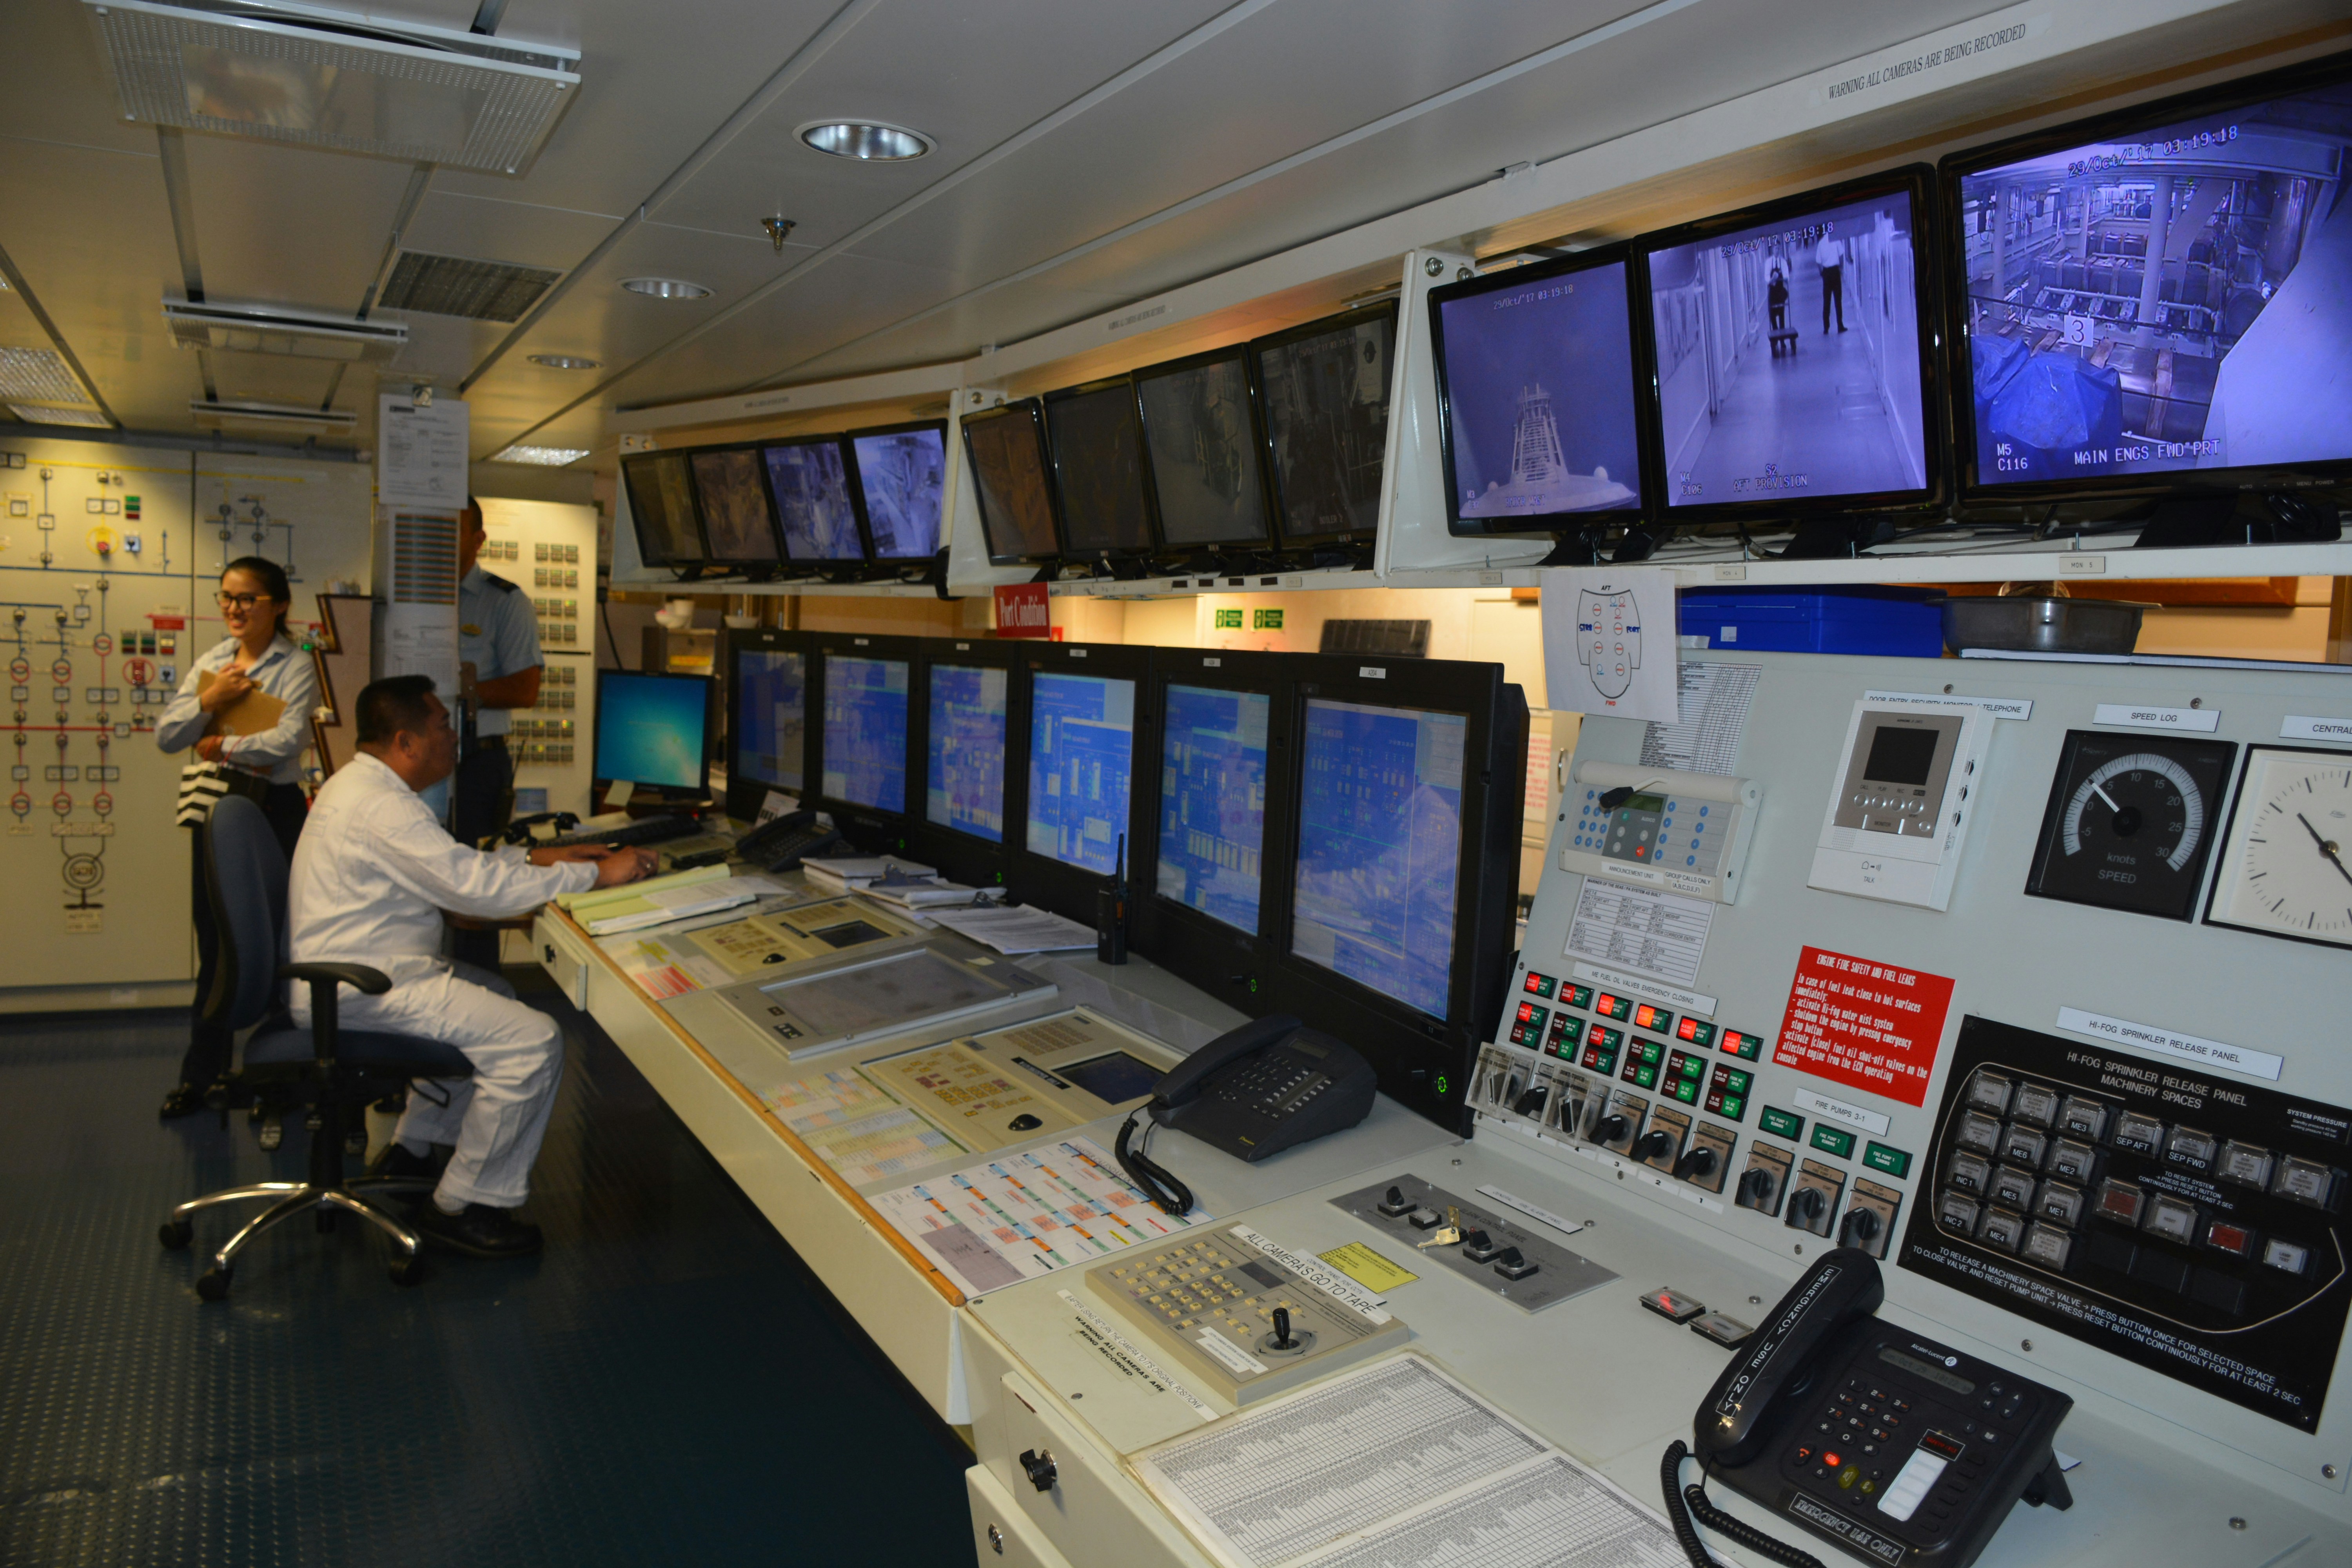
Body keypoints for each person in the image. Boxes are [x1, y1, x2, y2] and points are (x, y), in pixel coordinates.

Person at [285, 675, 655, 1256]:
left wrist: (537, 858)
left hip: (358, 974)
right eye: (441, 726)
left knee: (497, 997)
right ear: (406, 743)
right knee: (532, 1041)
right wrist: (594, 875)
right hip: (362, 986)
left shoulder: (365, 789)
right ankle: (466, 1206)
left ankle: (412, 1150)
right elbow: (470, 891)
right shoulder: (380, 807)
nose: (454, 737)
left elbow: (449, 867)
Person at [156, 557, 320, 1119]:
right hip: (217, 806)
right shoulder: (212, 664)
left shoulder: (296, 666)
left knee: (277, 939)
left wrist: (219, 741)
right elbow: (166, 735)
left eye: (248, 598)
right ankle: (203, 1077)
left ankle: (273, 1077)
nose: (234, 608)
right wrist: (211, 700)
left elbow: (286, 741)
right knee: (217, 942)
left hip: (273, 807)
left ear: (277, 605)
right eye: (227, 596)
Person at [452, 496, 544, 971]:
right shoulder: (411, 595)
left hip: (476, 764)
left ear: (478, 538)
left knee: (473, 894)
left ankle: (478, 992)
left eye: (457, 527)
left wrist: (460, 691)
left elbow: (526, 688)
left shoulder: (504, 602)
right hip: (419, 765)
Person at [1816, 230, 1847, 334]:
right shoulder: (1836, 240)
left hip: (1827, 273)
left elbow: (1818, 262)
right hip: (1835, 272)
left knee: (1827, 301)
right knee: (1838, 300)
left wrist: (1822, 273)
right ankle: (1840, 325)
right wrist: (1841, 268)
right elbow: (1842, 255)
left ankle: (1826, 327)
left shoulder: (1821, 243)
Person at [1768, 266, 1789, 332]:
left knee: (1773, 317)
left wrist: (1770, 282)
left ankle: (1776, 334)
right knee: (1781, 317)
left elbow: (1773, 279)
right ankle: (1781, 338)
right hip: (1780, 296)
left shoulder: (1771, 269)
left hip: (1774, 297)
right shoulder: (1781, 269)